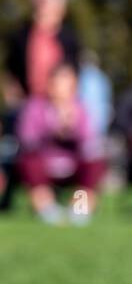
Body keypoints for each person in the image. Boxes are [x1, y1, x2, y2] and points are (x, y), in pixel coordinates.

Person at [0, 0, 81, 213]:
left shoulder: (68, 37)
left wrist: (68, 104)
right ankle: (15, 195)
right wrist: (14, 100)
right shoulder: (22, 35)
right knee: (21, 147)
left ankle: (55, 197)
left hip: (59, 103)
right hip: (29, 103)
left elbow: (75, 71)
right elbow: (10, 71)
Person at [17, 63, 104, 225]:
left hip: (72, 163)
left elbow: (90, 142)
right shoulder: (35, 107)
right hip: (44, 162)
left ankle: (79, 209)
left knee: (95, 162)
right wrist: (52, 131)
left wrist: (72, 129)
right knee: (29, 161)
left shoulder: (81, 109)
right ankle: (46, 207)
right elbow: (27, 139)